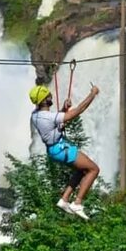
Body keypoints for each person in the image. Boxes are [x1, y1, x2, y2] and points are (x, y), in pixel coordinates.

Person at [29, 83, 100, 220]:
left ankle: (65, 199)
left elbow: (54, 122)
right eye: (48, 96)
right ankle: (77, 203)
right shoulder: (48, 117)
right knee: (93, 169)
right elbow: (79, 110)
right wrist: (93, 94)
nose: (51, 97)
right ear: (44, 100)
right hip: (62, 149)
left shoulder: (35, 115)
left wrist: (64, 109)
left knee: (80, 170)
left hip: (53, 150)